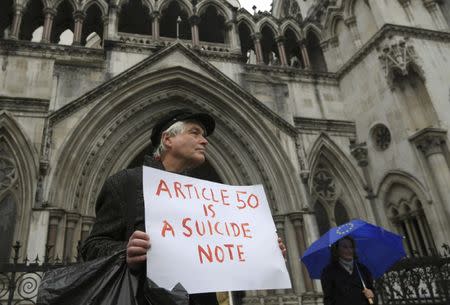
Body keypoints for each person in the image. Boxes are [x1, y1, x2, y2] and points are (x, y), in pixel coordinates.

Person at [81, 109, 287, 305]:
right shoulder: (126, 183)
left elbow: (218, 256)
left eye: (204, 135)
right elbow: (91, 247)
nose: (204, 140)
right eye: (195, 132)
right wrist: (125, 251)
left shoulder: (207, 198)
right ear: (168, 139)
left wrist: (261, 252)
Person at [320, 236, 376, 305]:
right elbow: (328, 299)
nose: (349, 250)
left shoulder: (362, 269)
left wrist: (372, 296)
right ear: (337, 250)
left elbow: (373, 294)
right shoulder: (328, 271)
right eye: (345, 247)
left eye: (351, 247)